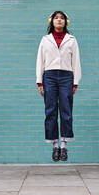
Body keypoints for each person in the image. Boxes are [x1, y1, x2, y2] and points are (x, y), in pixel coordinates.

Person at [35, 11, 82, 162]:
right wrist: (39, 81)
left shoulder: (72, 40)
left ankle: (64, 145)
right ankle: (54, 145)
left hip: (66, 77)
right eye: (56, 18)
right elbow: (40, 61)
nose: (59, 20)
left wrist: (75, 82)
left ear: (66, 22)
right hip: (49, 76)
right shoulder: (45, 40)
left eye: (62, 18)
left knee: (66, 111)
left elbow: (76, 62)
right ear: (51, 21)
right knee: (50, 111)